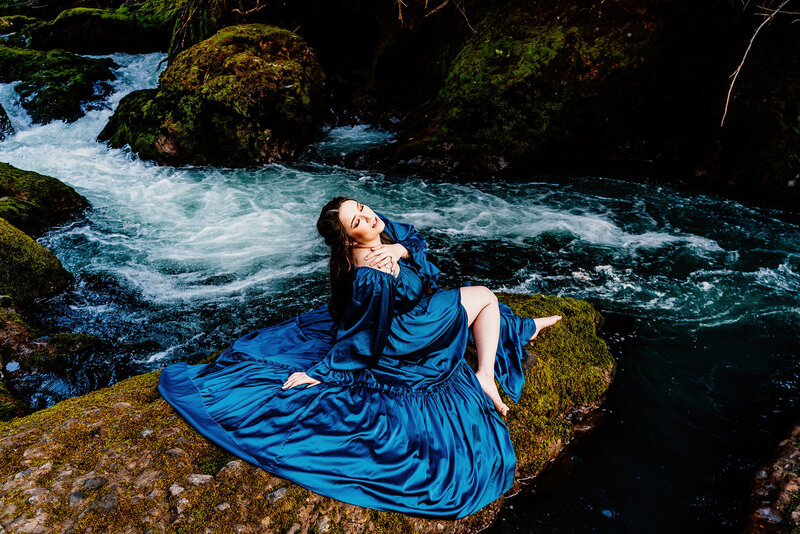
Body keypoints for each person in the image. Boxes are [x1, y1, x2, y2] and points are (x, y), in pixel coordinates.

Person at [158, 197, 562, 519]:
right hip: (405, 334)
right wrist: (322, 372)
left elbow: (412, 236)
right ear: (350, 241)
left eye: (363, 210)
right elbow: (363, 335)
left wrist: (401, 249)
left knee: (484, 306)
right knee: (485, 296)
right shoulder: (369, 273)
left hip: (412, 310)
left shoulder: (377, 229)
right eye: (359, 222)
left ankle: (521, 328)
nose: (370, 219)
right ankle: (485, 375)